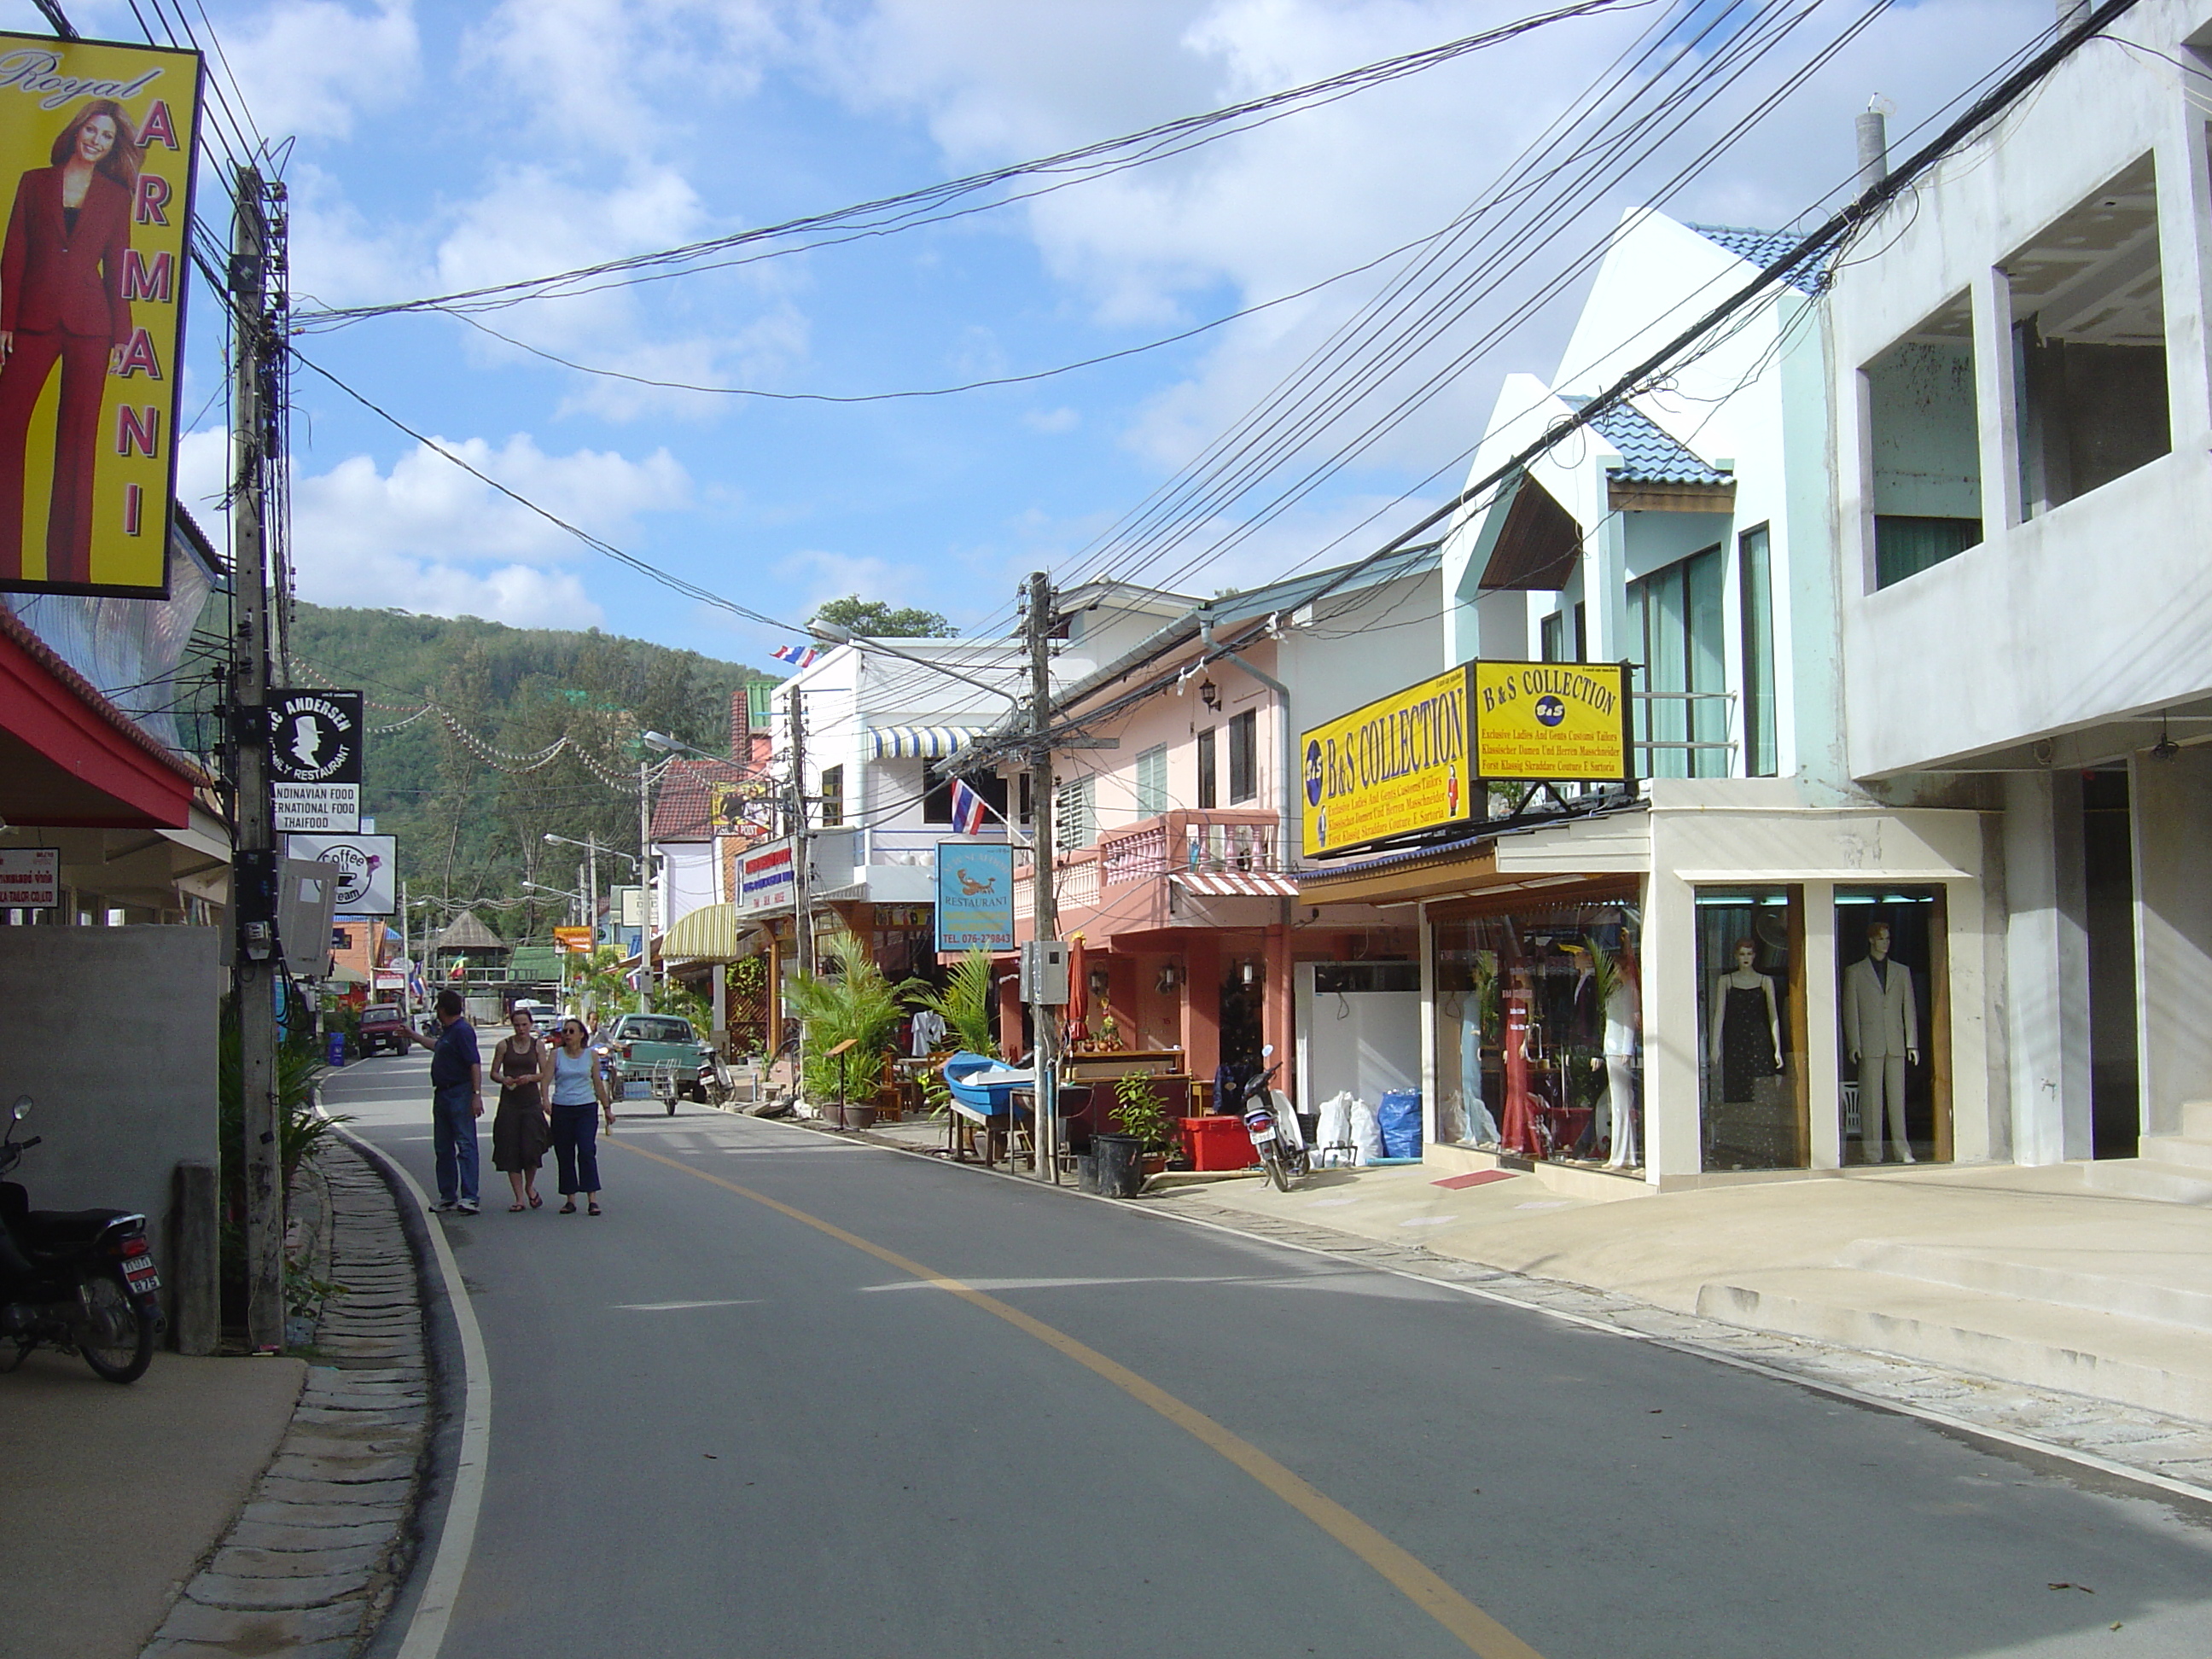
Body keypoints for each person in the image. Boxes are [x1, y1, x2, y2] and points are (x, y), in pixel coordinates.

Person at [0, 100, 139, 586]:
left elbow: (119, 267)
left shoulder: (114, 197)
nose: (95, 140)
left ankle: (68, 574)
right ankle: (5, 564)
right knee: (5, 431)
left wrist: (123, 333)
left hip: (91, 325)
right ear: (77, 130)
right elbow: (14, 250)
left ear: (111, 147)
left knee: (78, 447)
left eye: (106, 137)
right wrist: (5, 321)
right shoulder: (35, 181)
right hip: (33, 317)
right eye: (90, 130)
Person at [1842, 921, 1919, 1164]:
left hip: (1895, 1041)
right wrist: (1854, 1043)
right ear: (1871, 940)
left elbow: (1909, 1008)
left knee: (1897, 1099)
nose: (1885, 943)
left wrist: (1911, 1043)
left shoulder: (1901, 971)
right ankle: (1873, 1152)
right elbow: (1850, 1010)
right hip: (1869, 1041)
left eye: (1887, 938)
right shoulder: (1855, 972)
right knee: (1871, 1100)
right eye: (1881, 938)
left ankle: (1902, 1149)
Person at [405, 989, 483, 1214]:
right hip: (443, 1093)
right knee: (443, 1147)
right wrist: (413, 1035)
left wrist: (476, 1094)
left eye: (438, 1006)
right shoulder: (449, 1033)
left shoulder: (463, 1031)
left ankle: (469, 1196)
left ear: (443, 1009)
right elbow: (437, 1047)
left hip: (460, 1092)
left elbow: (474, 1064)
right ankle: (447, 1195)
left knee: (465, 1145)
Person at [548, 1016, 614, 1215]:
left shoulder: (590, 1055)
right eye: (565, 1032)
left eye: (571, 1031)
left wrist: (607, 1108)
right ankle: (570, 1198)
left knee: (586, 1150)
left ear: (581, 1035)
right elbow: (545, 1079)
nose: (567, 1035)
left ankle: (592, 1199)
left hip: (586, 1107)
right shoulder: (556, 1055)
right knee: (565, 1153)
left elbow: (597, 1083)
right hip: (562, 1108)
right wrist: (544, 1099)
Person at [490, 1008, 552, 1212]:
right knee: (510, 1148)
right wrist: (504, 1079)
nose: (521, 1029)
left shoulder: (538, 1045)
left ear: (531, 1025)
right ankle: (519, 1198)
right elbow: (494, 1072)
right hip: (509, 1103)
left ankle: (529, 1186)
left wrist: (530, 1078)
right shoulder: (503, 1046)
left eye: (525, 1024)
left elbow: (544, 1073)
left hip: (531, 1102)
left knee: (531, 1148)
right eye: (517, 1025)